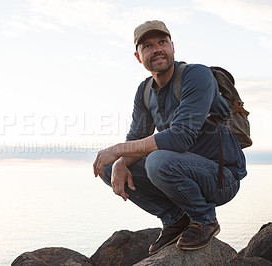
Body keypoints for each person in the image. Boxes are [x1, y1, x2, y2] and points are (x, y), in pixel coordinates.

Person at [93, 20, 247, 255]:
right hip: (179, 169)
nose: (157, 49)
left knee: (157, 160)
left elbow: (180, 138)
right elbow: (137, 136)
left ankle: (205, 219)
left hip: (221, 176)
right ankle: (175, 219)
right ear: (138, 56)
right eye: (148, 45)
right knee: (109, 167)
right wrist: (120, 161)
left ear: (173, 47)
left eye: (162, 42)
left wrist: (118, 149)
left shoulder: (197, 75)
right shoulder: (144, 91)